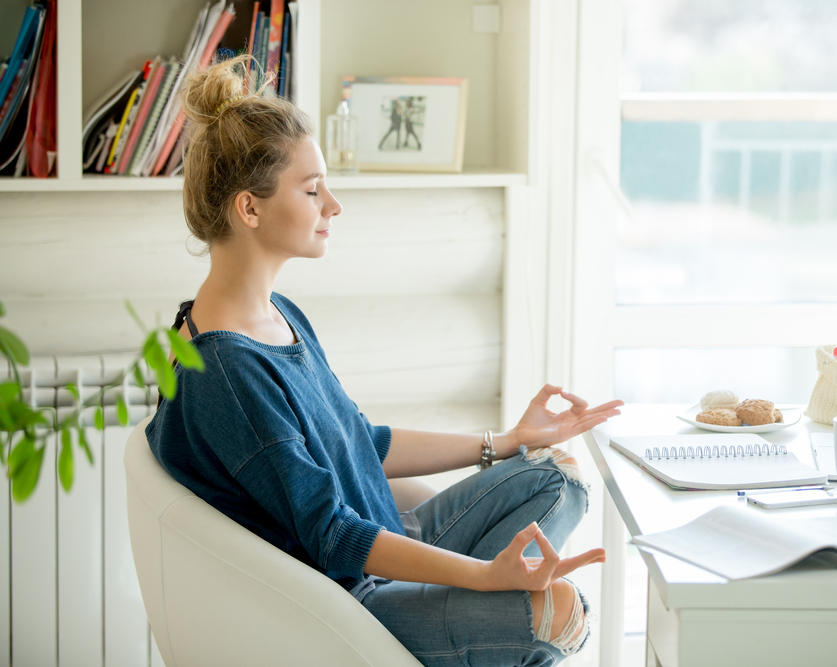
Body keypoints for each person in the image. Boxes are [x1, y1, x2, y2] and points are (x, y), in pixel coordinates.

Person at [145, 54, 623, 667]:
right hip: (349, 601)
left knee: (557, 475)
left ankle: (480, 622)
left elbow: (363, 443)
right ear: (249, 209)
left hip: (391, 539)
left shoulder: (277, 313)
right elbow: (334, 535)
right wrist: (482, 578)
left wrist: (506, 441)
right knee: (559, 611)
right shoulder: (229, 373)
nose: (334, 206)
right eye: (313, 190)